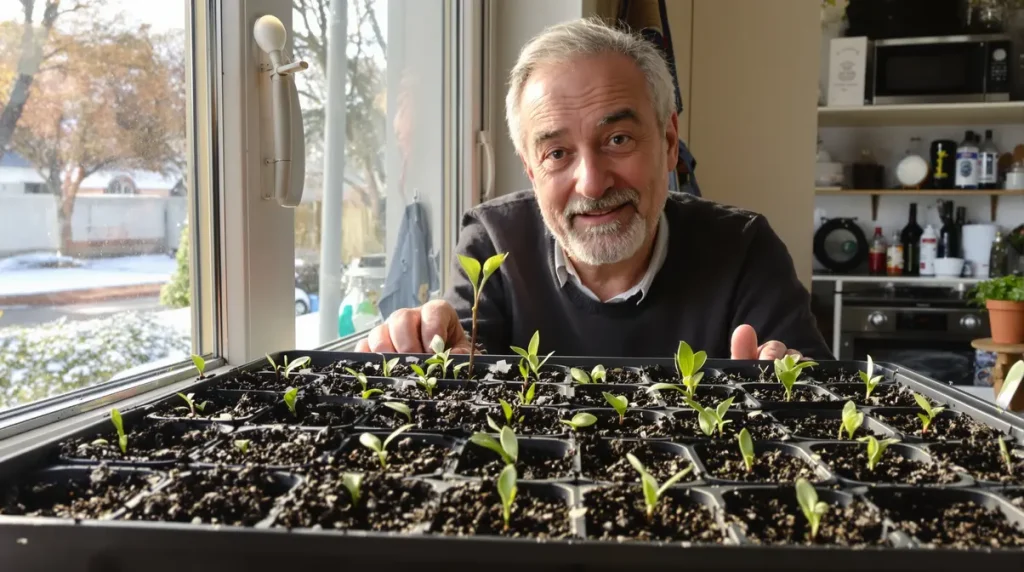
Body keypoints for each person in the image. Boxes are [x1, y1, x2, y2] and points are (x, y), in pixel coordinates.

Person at [356, 17, 832, 361]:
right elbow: (464, 359)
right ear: (530, 169)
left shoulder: (743, 248)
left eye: (617, 139)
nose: (592, 182)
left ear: (669, 143)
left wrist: (789, 393)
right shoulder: (493, 242)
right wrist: (426, 346)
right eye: (557, 153)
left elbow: (821, 403)